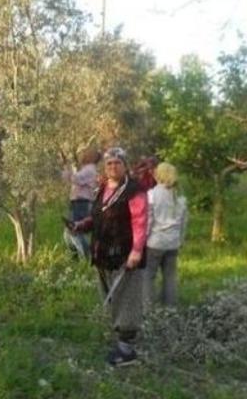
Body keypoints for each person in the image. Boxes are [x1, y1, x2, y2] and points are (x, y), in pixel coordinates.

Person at [73, 147, 148, 367]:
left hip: (126, 256)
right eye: (109, 164)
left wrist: (136, 251)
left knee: (126, 299)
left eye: (117, 163)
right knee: (112, 298)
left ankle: (127, 351)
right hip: (103, 254)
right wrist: (81, 225)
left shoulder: (135, 190)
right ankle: (120, 341)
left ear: (125, 166)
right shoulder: (103, 188)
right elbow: (97, 216)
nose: (113, 166)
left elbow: (141, 222)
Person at [143, 162, 188, 309]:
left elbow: (149, 221)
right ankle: (170, 308)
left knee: (148, 276)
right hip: (173, 243)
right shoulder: (180, 197)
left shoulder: (151, 195)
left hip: (155, 242)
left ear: (158, 175)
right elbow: (183, 222)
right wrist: (180, 240)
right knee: (170, 277)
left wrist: (142, 239)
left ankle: (149, 308)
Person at [61, 147, 101, 258]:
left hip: (82, 202)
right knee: (69, 232)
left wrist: (66, 170)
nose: (82, 155)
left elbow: (76, 179)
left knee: (75, 230)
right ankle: (78, 256)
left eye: (86, 153)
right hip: (78, 202)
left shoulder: (89, 170)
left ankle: (86, 255)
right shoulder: (87, 169)